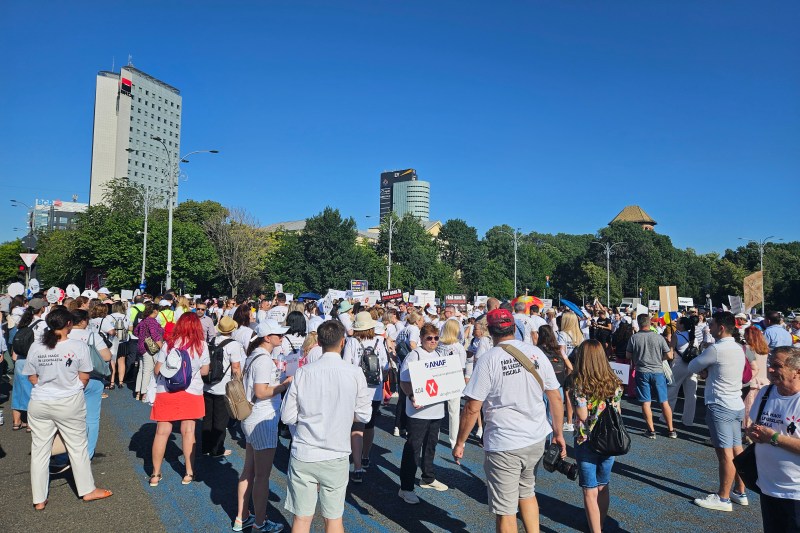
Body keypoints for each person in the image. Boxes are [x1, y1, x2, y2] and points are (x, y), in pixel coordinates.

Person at [454, 308, 564, 533]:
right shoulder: (535, 353)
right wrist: (559, 433)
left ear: (490, 332)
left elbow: (472, 407)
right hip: (535, 437)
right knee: (527, 493)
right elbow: (554, 395)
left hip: (505, 443)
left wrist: (460, 442)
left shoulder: (488, 360)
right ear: (514, 327)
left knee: (505, 510)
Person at [281, 320, 372, 533]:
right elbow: (364, 414)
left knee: (302, 520)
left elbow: (287, 417)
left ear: (319, 342)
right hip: (336, 453)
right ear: (342, 342)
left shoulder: (304, 373)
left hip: (305, 452)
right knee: (333, 519)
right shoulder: (354, 372)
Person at [22, 306, 113, 509]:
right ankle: (87, 490)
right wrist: (71, 389)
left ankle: (39, 498)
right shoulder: (77, 346)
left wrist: (47, 388)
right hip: (68, 401)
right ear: (68, 324)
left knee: (39, 450)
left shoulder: (37, 347)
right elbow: (85, 375)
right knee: (77, 447)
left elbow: (31, 375)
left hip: (40, 402)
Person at [234, 319, 291, 533]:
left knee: (249, 470)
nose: (282, 337)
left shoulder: (254, 355)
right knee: (262, 476)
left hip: (250, 417)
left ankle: (242, 517)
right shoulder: (264, 359)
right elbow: (261, 392)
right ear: (268, 338)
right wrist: (284, 385)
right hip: (262, 418)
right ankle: (259, 522)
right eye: (279, 335)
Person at [688, 312, 749, 511]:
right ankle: (740, 491)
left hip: (720, 404)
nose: (709, 328)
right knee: (736, 450)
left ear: (721, 328)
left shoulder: (716, 349)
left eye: (712, 325)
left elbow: (693, 365)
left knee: (724, 454)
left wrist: (705, 370)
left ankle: (723, 498)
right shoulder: (739, 348)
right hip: (735, 402)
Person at [149, 313, 210, 488]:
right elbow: (205, 371)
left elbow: (157, 369)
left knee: (162, 431)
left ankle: (155, 473)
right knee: (188, 431)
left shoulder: (169, 344)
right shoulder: (201, 345)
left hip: (166, 390)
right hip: (191, 390)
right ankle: (189, 473)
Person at [570, 340, 623, 533]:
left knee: (589, 489)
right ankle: (599, 524)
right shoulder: (614, 383)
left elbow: (583, 417)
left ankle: (596, 530)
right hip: (610, 440)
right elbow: (618, 410)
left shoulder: (580, 384)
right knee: (603, 485)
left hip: (587, 440)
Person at [746, 346, 800, 532]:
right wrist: (752, 432)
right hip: (768, 487)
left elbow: (773, 435)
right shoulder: (766, 393)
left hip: (795, 492)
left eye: (777, 366)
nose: (770, 370)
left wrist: (774, 438)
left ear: (797, 371)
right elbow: (754, 425)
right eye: (770, 364)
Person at [397, 323, 449, 503]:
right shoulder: (414, 355)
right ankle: (406, 487)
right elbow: (403, 380)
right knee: (413, 448)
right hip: (418, 412)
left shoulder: (439, 354)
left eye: (436, 338)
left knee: (431, 445)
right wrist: (411, 395)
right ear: (421, 338)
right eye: (429, 338)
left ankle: (428, 477)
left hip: (436, 410)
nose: (433, 341)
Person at [342, 312, 389, 482]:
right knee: (369, 425)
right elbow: (385, 366)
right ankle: (366, 456)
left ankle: (355, 464)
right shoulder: (379, 342)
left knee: (355, 426)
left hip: (356, 391)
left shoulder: (352, 342)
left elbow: (347, 366)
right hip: (374, 390)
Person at [67, 309, 112, 459]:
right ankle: (87, 453)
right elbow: (107, 356)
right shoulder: (91, 336)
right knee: (91, 419)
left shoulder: (62, 335)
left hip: (69, 379)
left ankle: (66, 453)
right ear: (84, 321)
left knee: (68, 417)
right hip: (92, 378)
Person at [626, 314, 676, 439]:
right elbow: (669, 356)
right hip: (658, 371)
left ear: (639, 323)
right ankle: (671, 430)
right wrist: (659, 358)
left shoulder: (634, 338)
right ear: (650, 323)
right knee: (664, 402)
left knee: (646, 402)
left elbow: (628, 355)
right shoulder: (658, 337)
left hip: (642, 371)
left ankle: (651, 430)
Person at [202, 316, 243, 458]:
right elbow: (236, 367)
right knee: (220, 419)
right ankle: (217, 449)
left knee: (207, 418)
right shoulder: (234, 345)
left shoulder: (212, 341)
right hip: (222, 386)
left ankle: (205, 446)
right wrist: (238, 383)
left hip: (207, 384)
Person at [10, 299, 48, 431]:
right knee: (33, 391)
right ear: (42, 308)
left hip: (20, 359)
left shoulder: (23, 322)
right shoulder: (42, 324)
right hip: (34, 360)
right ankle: (31, 424)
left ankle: (16, 421)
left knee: (18, 390)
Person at [438, 319, 468, 449]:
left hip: (439, 377)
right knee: (454, 412)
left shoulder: (439, 344)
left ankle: (435, 435)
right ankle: (454, 440)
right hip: (454, 379)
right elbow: (461, 367)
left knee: (438, 409)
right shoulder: (459, 347)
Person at [393, 311, 423, 437]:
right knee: (412, 396)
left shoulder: (404, 329)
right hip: (412, 366)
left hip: (402, 364)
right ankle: (407, 426)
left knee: (402, 397)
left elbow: (392, 342)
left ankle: (397, 425)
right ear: (416, 321)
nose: (423, 322)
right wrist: (420, 355)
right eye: (421, 320)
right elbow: (412, 344)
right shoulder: (415, 329)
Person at [665, 316, 699, 427]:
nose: (676, 323)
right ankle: (688, 420)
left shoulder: (676, 336)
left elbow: (670, 354)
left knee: (671, 392)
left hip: (678, 365)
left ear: (683, 325)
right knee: (691, 395)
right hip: (692, 366)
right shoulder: (694, 337)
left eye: (678, 322)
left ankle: (665, 417)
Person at [558, 311, 584, 432]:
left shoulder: (562, 334)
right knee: (579, 392)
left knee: (568, 393)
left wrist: (566, 364)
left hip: (569, 365)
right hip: (579, 365)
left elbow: (562, 352)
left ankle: (569, 421)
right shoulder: (580, 334)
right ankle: (579, 418)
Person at [133, 302, 164, 402]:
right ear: (155, 311)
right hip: (149, 348)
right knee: (148, 370)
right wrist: (160, 345)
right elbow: (155, 334)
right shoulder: (152, 321)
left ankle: (138, 392)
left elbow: (135, 331)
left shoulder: (143, 321)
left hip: (140, 347)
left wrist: (143, 337)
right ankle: (144, 393)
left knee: (141, 370)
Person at [742, 326, 770, 429]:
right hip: (764, 380)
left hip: (752, 381)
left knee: (749, 408)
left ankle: (748, 432)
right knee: (759, 408)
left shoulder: (747, 348)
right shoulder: (764, 349)